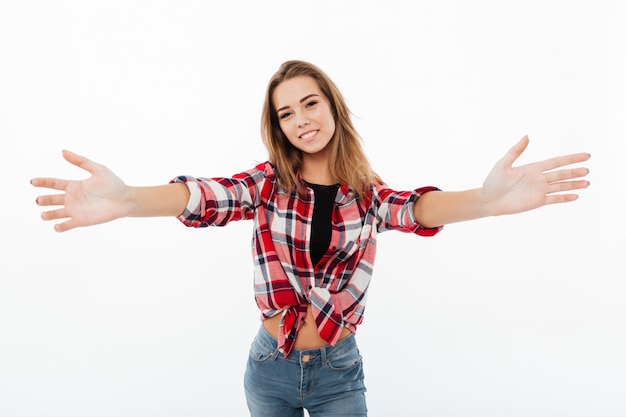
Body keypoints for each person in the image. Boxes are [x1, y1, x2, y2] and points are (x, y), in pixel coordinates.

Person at [31, 60, 590, 417]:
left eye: (310, 103)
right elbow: (203, 196)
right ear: (278, 127)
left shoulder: (366, 194)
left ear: (332, 108)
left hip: (338, 373)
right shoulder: (267, 184)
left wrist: (489, 202)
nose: (301, 119)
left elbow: (418, 209)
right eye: (286, 112)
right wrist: (127, 199)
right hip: (267, 369)